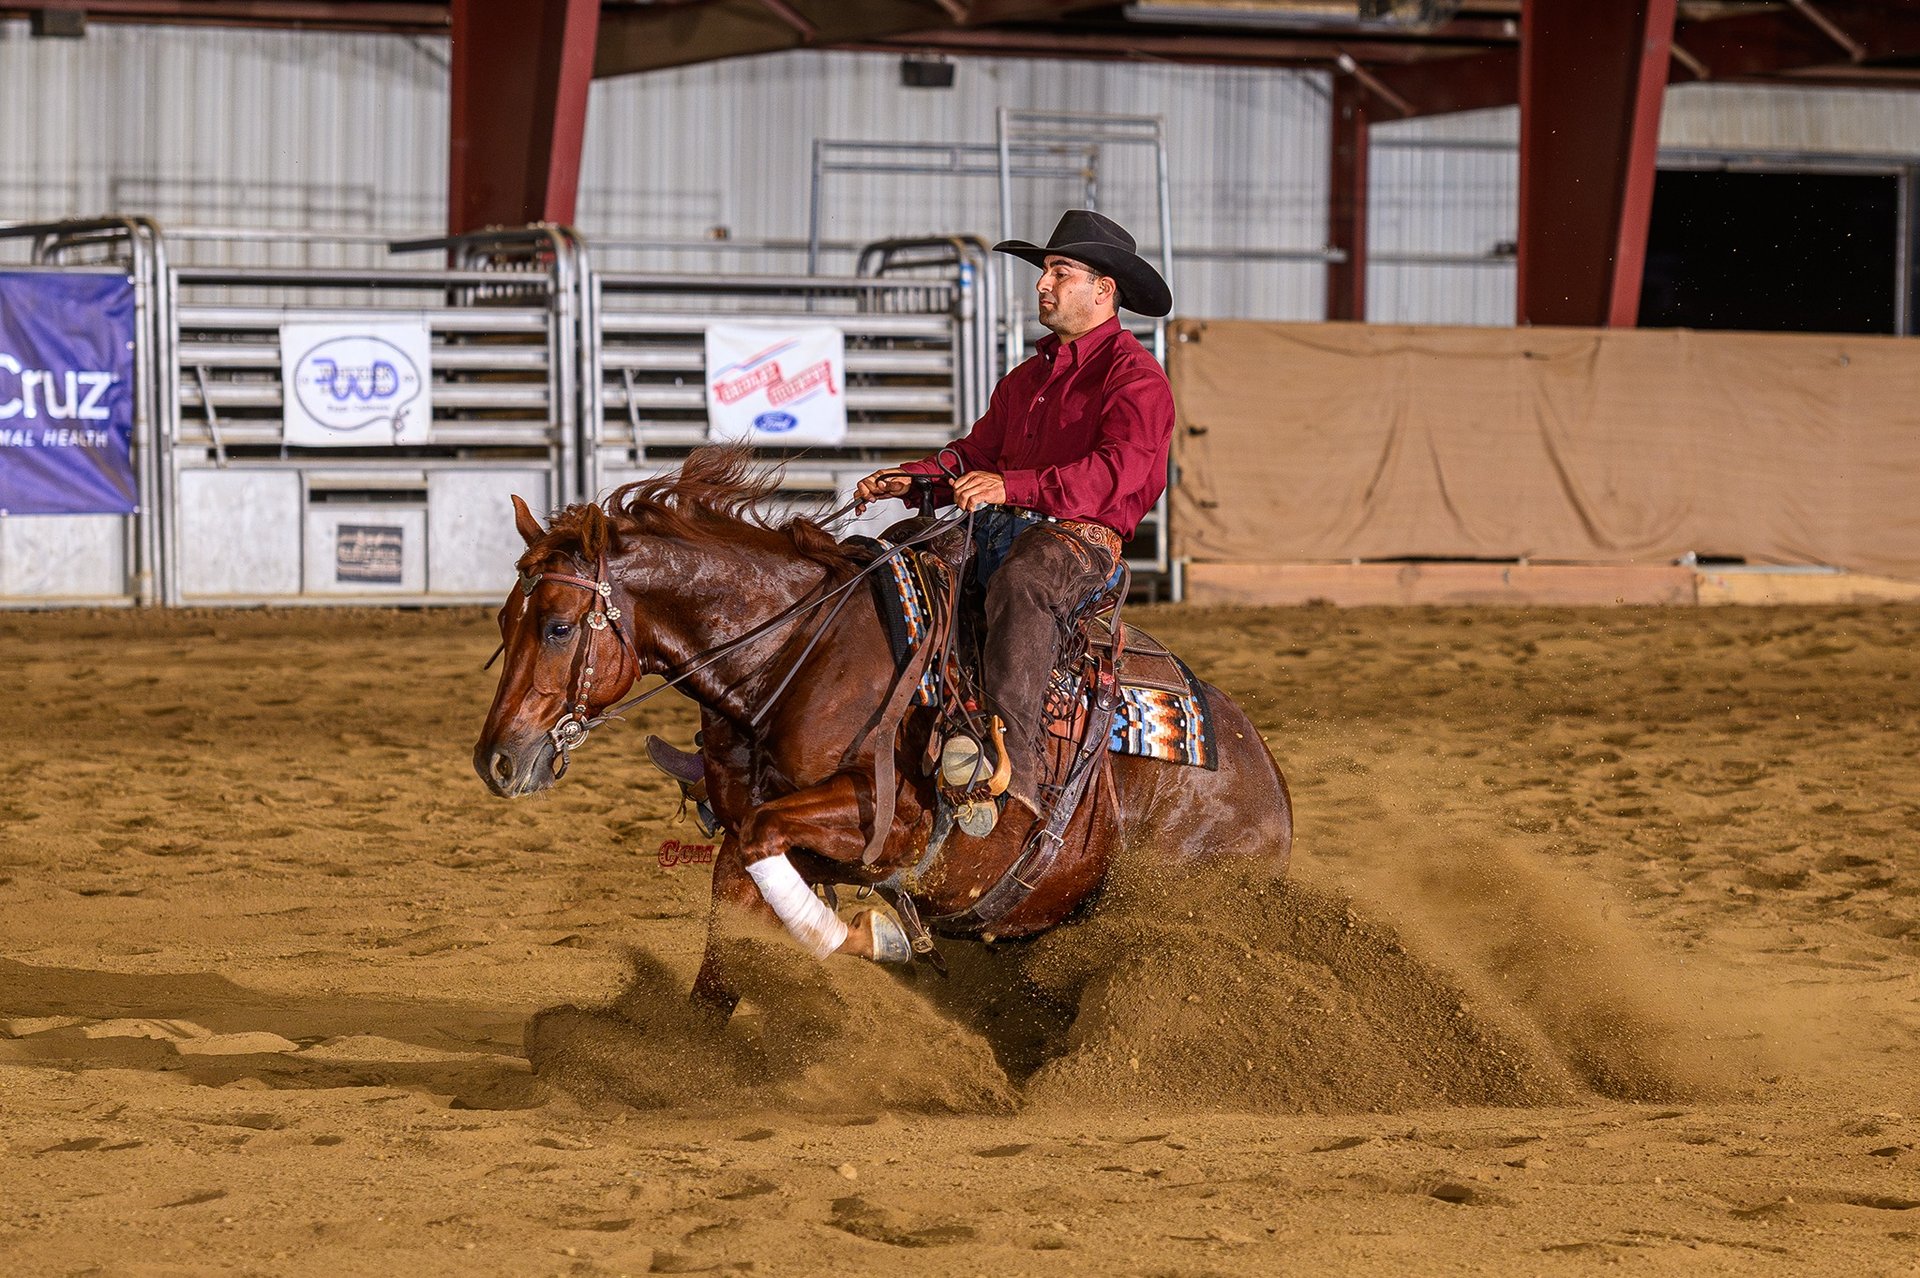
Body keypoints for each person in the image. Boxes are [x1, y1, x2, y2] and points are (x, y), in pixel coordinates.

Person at [855, 209, 1174, 831]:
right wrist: (917, 478)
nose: (1042, 284)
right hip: (1005, 526)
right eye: (1045, 271)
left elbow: (1117, 476)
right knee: (896, 553)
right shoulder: (1027, 379)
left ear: (1102, 289)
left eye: (1060, 271)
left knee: (1024, 582)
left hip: (1081, 542)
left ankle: (1014, 771)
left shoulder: (1137, 380)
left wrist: (1014, 485)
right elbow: (972, 455)